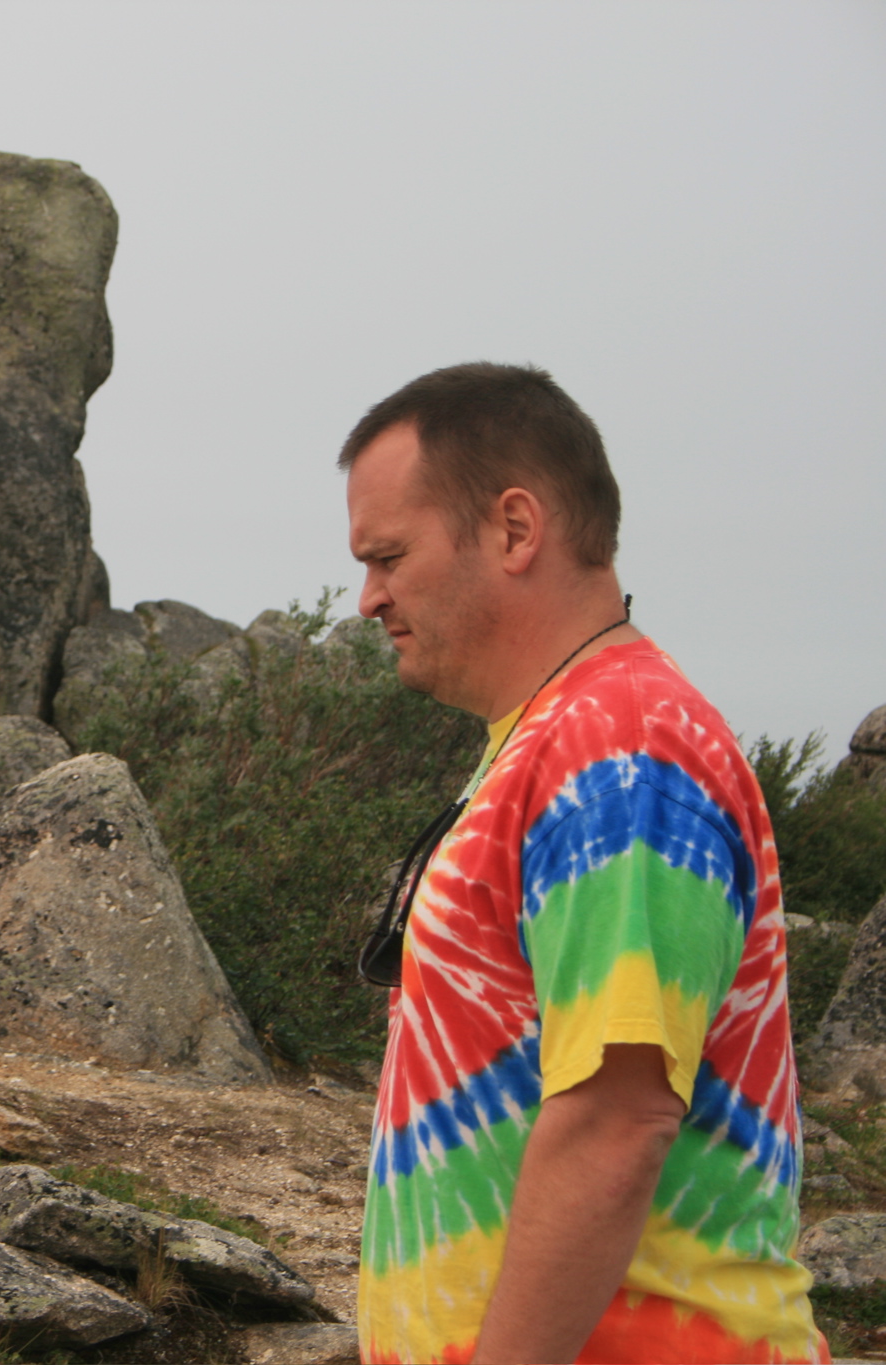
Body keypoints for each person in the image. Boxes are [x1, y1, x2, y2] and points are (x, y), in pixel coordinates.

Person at [340, 362, 826, 1364]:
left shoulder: (621, 752)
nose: (365, 598)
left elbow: (617, 1120)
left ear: (516, 530)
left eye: (388, 556)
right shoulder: (553, 738)